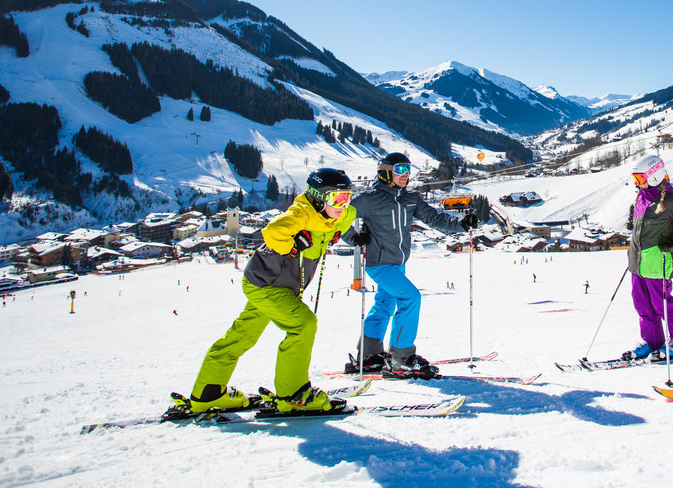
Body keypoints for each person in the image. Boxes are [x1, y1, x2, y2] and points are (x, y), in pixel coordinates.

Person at [186, 168, 357, 413]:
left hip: (276, 284)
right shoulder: (301, 214)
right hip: (267, 284)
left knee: (242, 334)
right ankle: (292, 395)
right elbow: (274, 231)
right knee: (303, 324)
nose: (342, 204)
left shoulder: (339, 214)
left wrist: (337, 234)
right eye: (336, 198)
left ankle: (208, 392)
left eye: (346, 197)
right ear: (318, 198)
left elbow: (350, 214)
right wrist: (291, 243)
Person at [345, 152, 477, 378]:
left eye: (408, 170)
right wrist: (353, 237)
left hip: (398, 264)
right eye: (399, 170)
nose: (405, 175)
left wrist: (462, 224)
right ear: (386, 172)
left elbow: (436, 218)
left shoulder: (410, 198)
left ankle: (367, 357)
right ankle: (400, 358)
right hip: (379, 264)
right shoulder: (368, 199)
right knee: (411, 297)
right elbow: (340, 217)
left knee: (383, 307)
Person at [623, 154, 673, 361]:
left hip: (658, 262)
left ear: (655, 176)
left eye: (640, 179)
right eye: (635, 179)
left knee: (663, 304)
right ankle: (653, 340)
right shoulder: (642, 197)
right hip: (638, 263)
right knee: (642, 305)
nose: (637, 184)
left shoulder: (667, 200)